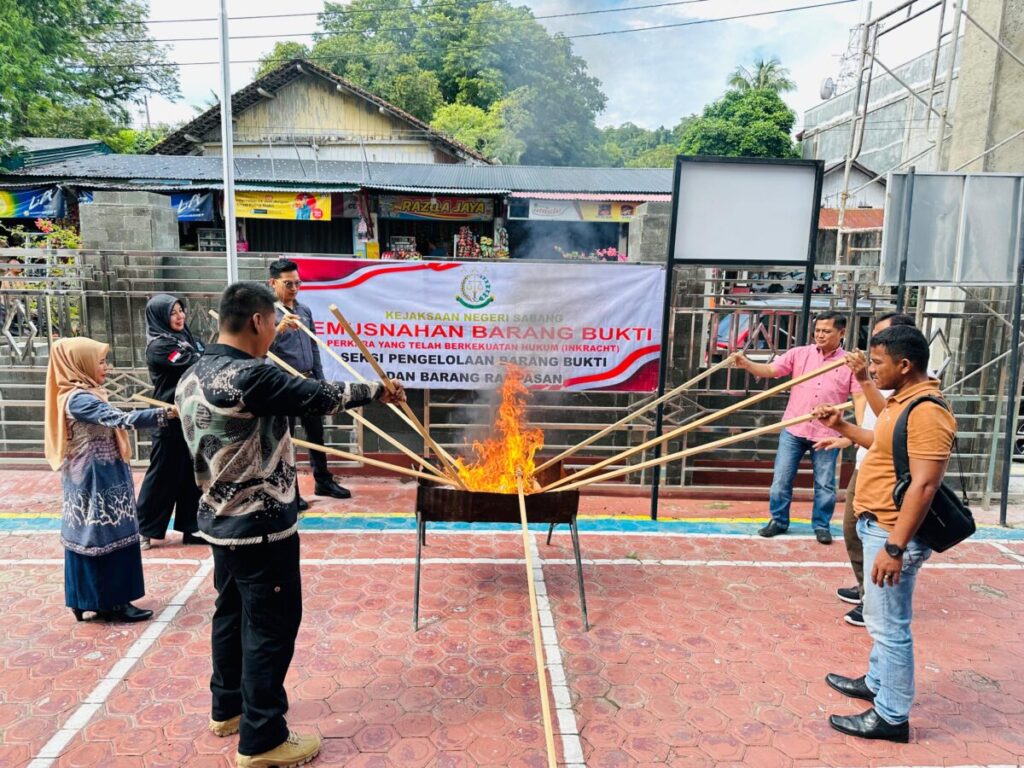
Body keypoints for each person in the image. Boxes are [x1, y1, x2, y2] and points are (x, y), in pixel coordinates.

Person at [175, 282, 405, 768]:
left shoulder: (195, 371)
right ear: (258, 321)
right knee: (270, 629)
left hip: (219, 520)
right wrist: (377, 390)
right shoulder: (248, 376)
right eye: (273, 323)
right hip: (259, 528)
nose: (275, 332)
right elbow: (317, 394)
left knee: (231, 615)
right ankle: (262, 739)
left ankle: (228, 708)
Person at [815, 325, 955, 742]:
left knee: (889, 627)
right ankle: (877, 682)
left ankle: (891, 717)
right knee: (880, 621)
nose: (871, 369)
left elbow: (925, 486)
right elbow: (880, 443)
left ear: (905, 365)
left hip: (892, 532)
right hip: (878, 525)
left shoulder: (928, 411)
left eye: (877, 363)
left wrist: (894, 547)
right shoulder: (901, 401)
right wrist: (842, 426)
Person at [44, 338, 175, 623]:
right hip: (96, 481)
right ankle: (111, 602)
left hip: (99, 476)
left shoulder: (82, 393)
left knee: (91, 534)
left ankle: (86, 600)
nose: (107, 367)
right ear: (80, 364)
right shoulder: (79, 399)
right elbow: (119, 419)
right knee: (102, 535)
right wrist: (163, 414)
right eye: (101, 362)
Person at [814, 313, 917, 627]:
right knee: (854, 530)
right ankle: (866, 590)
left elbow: (890, 424)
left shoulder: (907, 390)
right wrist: (844, 433)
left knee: (868, 534)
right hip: (866, 460)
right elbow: (877, 429)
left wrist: (863, 379)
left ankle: (873, 598)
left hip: (885, 472)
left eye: (883, 341)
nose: (875, 349)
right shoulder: (883, 378)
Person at [734, 311, 864, 543]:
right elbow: (771, 371)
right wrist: (747, 364)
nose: (820, 335)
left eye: (826, 331)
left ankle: (821, 525)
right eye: (818, 330)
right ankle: (778, 521)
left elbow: (860, 398)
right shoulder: (799, 354)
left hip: (827, 434)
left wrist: (859, 433)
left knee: (825, 484)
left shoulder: (849, 363)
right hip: (794, 428)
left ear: (841, 333)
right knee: (781, 479)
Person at [267, 258, 350, 508]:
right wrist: (278, 329)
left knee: (316, 433)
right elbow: (260, 349)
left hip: (308, 380)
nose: (294, 288)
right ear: (273, 283)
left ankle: (323, 481)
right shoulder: (266, 314)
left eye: (298, 283)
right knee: (287, 439)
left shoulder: (304, 311)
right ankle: (290, 491)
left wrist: (320, 381)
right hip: (284, 384)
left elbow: (313, 346)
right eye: (288, 284)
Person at [136, 295, 206, 550]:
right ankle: (143, 529)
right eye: (173, 313)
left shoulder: (185, 338)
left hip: (190, 415)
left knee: (192, 474)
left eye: (181, 310)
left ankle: (192, 527)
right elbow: (195, 363)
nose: (180, 316)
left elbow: (202, 354)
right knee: (162, 475)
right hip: (168, 417)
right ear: (160, 318)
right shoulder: (159, 346)